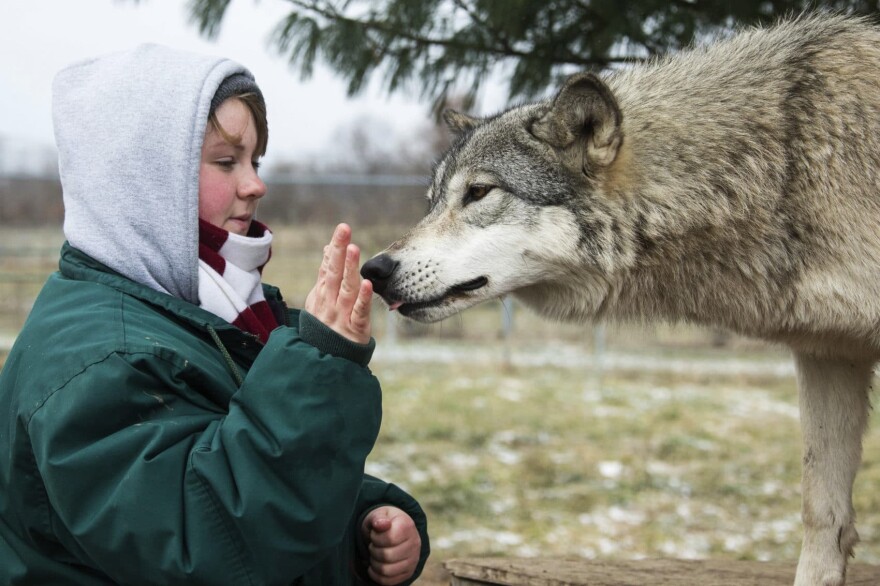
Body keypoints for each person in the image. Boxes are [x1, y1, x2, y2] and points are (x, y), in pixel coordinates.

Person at [0, 44, 429, 585]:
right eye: (227, 162)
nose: (255, 184)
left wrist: (363, 528)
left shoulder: (203, 310)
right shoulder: (103, 361)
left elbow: (236, 460)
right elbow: (214, 539)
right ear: (145, 183)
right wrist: (318, 362)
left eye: (255, 160)